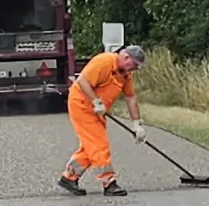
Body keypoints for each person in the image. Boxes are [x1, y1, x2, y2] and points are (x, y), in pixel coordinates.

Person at [57, 44, 147, 196]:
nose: (136, 69)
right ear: (126, 57)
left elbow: (130, 98)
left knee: (91, 145)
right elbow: (83, 81)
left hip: (96, 110)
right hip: (82, 104)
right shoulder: (104, 61)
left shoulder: (125, 74)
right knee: (99, 144)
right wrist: (96, 101)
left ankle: (69, 177)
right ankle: (108, 182)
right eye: (135, 65)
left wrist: (137, 124)